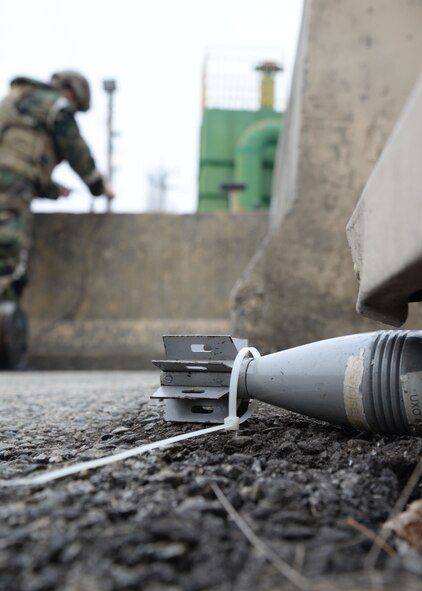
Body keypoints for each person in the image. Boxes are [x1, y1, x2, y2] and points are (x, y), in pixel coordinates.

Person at [0, 70, 114, 368]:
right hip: (10, 185)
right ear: (72, 93)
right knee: (7, 257)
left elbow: (21, 150)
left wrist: (52, 190)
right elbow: (74, 148)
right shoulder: (54, 105)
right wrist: (98, 186)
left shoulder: (17, 100)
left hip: (10, 180)